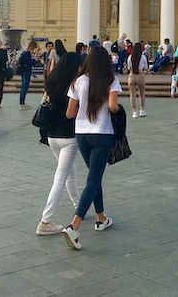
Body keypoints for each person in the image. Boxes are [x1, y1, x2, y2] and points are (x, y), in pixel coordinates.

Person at [61, 46, 121, 250]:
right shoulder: (111, 80)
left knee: (95, 177)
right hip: (102, 134)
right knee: (93, 178)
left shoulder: (78, 81)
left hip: (82, 134)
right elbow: (113, 107)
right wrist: (117, 109)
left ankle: (101, 217)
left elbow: (69, 113)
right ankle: (74, 226)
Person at [36, 52, 82, 236]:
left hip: (51, 135)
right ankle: (45, 221)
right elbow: (74, 110)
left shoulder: (51, 82)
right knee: (61, 177)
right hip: (68, 136)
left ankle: (79, 206)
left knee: (70, 172)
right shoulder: (74, 84)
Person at [127, 42, 148, 118]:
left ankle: (134, 111)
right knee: (142, 94)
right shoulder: (143, 57)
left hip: (132, 75)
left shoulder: (130, 57)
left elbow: (129, 68)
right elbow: (146, 67)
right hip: (140, 74)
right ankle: (141, 110)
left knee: (132, 95)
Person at [19, 40, 38, 110]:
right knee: (24, 87)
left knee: (24, 87)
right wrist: (35, 60)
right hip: (26, 72)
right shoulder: (27, 53)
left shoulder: (25, 53)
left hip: (24, 71)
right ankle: (22, 103)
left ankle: (22, 102)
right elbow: (29, 63)